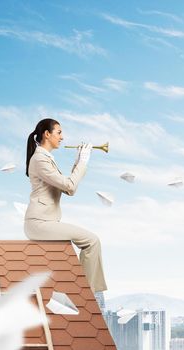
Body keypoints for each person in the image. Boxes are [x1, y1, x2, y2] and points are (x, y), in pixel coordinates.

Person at [24, 118, 108, 297]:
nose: (62, 137)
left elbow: (68, 189)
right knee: (92, 241)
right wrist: (83, 163)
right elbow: (69, 185)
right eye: (59, 132)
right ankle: (86, 293)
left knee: (89, 242)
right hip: (39, 223)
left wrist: (78, 163)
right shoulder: (40, 160)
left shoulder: (45, 159)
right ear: (47, 134)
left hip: (46, 222)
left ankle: (84, 289)